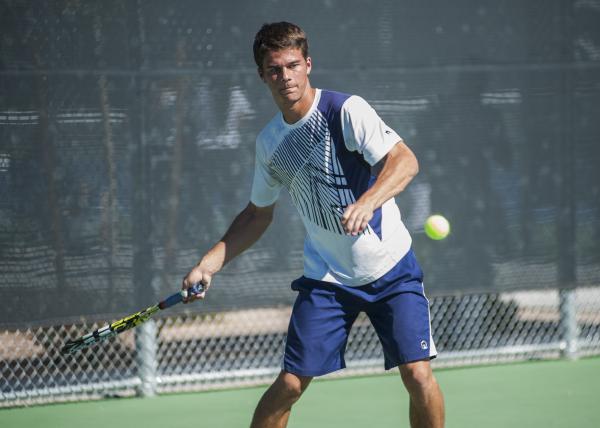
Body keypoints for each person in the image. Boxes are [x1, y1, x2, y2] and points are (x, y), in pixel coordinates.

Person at [182, 21, 445, 428]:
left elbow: (405, 161)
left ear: (308, 64)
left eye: (291, 65)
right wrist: (208, 263)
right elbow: (257, 214)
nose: (284, 77)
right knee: (289, 384)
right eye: (274, 69)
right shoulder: (270, 144)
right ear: (262, 75)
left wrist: (368, 201)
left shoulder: (345, 111)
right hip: (328, 278)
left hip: (392, 269)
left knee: (417, 373)